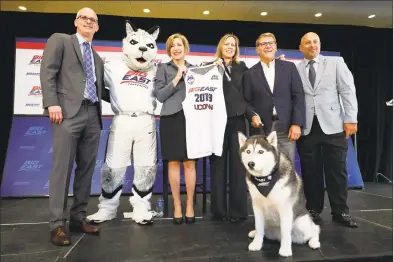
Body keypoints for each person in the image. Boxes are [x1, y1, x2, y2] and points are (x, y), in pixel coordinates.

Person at [40, 7, 109, 246]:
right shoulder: (60, 40)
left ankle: (78, 218)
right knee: (62, 170)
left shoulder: (98, 58)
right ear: (76, 21)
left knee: (86, 170)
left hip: (93, 114)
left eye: (94, 20)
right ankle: (57, 224)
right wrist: (51, 103)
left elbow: (104, 90)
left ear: (97, 27)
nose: (89, 22)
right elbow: (48, 71)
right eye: (84, 18)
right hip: (67, 113)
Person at [296, 32, 358, 228]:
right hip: (307, 128)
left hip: (334, 125)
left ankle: (340, 211)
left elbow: (347, 90)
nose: (312, 45)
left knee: (337, 170)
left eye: (315, 42)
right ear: (301, 48)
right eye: (307, 43)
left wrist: (351, 119)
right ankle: (313, 210)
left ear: (320, 44)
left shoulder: (336, 63)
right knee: (311, 171)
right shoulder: (295, 69)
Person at [205, 34, 260, 223]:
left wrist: (252, 114)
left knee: (238, 167)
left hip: (237, 122)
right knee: (217, 166)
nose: (230, 47)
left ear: (236, 49)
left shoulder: (242, 68)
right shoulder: (209, 67)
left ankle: (237, 211)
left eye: (233, 45)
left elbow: (246, 98)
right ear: (221, 47)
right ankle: (219, 211)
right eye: (226, 44)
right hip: (215, 123)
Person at [243, 32, 306, 166]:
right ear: (257, 49)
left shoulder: (289, 68)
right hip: (262, 129)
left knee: (287, 168)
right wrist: (252, 116)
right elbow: (246, 101)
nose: (267, 46)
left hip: (286, 127)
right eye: (263, 44)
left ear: (276, 47)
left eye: (271, 43)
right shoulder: (249, 74)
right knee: (264, 168)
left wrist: (296, 124)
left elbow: (298, 96)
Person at [154, 33, 196, 224]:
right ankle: (177, 205)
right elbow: (160, 96)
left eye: (180, 45)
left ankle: (189, 205)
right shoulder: (162, 68)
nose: (176, 48)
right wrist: (178, 77)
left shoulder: (195, 69)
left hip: (191, 119)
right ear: (169, 50)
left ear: (185, 49)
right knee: (173, 162)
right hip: (170, 118)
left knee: (189, 163)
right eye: (173, 46)